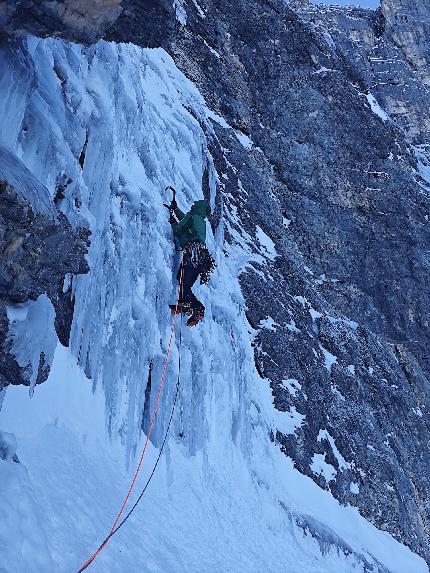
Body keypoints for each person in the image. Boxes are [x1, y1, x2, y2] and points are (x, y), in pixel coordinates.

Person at [166, 189, 215, 327]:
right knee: (184, 283)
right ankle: (196, 308)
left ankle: (187, 306)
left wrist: (171, 221)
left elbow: (181, 226)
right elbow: (185, 219)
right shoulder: (199, 219)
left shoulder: (194, 217)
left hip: (193, 253)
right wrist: (175, 210)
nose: (193, 205)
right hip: (202, 256)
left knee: (183, 281)